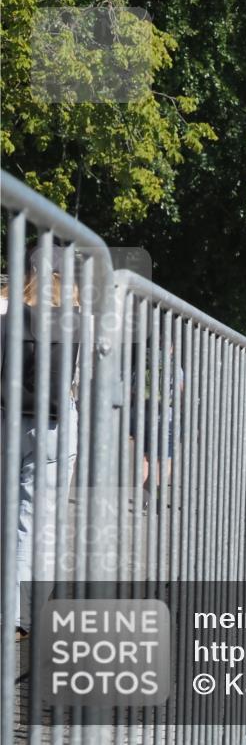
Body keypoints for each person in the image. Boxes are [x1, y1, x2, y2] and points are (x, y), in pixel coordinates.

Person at [1, 260, 80, 640]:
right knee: (36, 524)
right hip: (54, 427)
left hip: (6, 417)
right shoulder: (77, 315)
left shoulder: (4, 306)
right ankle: (20, 618)